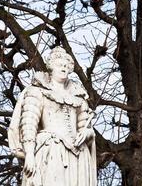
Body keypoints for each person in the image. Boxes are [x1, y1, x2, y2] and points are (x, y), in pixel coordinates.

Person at [8, 46, 97, 186]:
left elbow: (84, 126)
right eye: (59, 65)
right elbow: (29, 124)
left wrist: (87, 133)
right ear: (51, 67)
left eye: (66, 65)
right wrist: (30, 155)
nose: (63, 68)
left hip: (78, 155)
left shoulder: (78, 96)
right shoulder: (38, 91)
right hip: (51, 150)